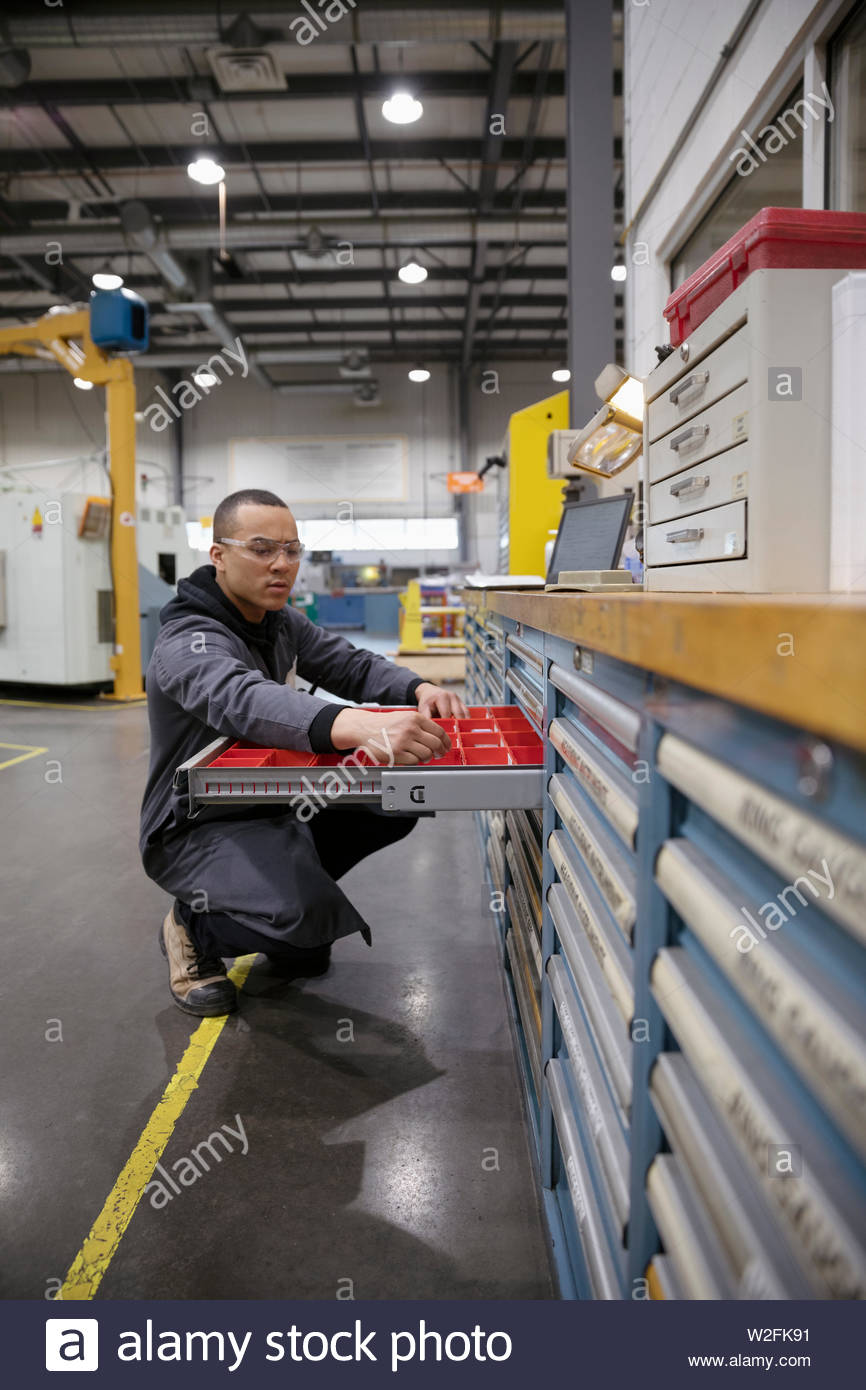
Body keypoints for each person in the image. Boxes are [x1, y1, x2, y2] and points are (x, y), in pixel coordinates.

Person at [139, 488, 467, 1017]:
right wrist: (352, 723)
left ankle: (280, 903)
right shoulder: (188, 642)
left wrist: (417, 689)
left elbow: (349, 664)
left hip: (271, 800)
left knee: (392, 799)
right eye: (263, 548)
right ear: (218, 556)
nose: (282, 564)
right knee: (299, 935)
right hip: (198, 822)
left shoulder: (280, 622)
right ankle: (192, 928)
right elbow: (242, 698)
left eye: (292, 550)